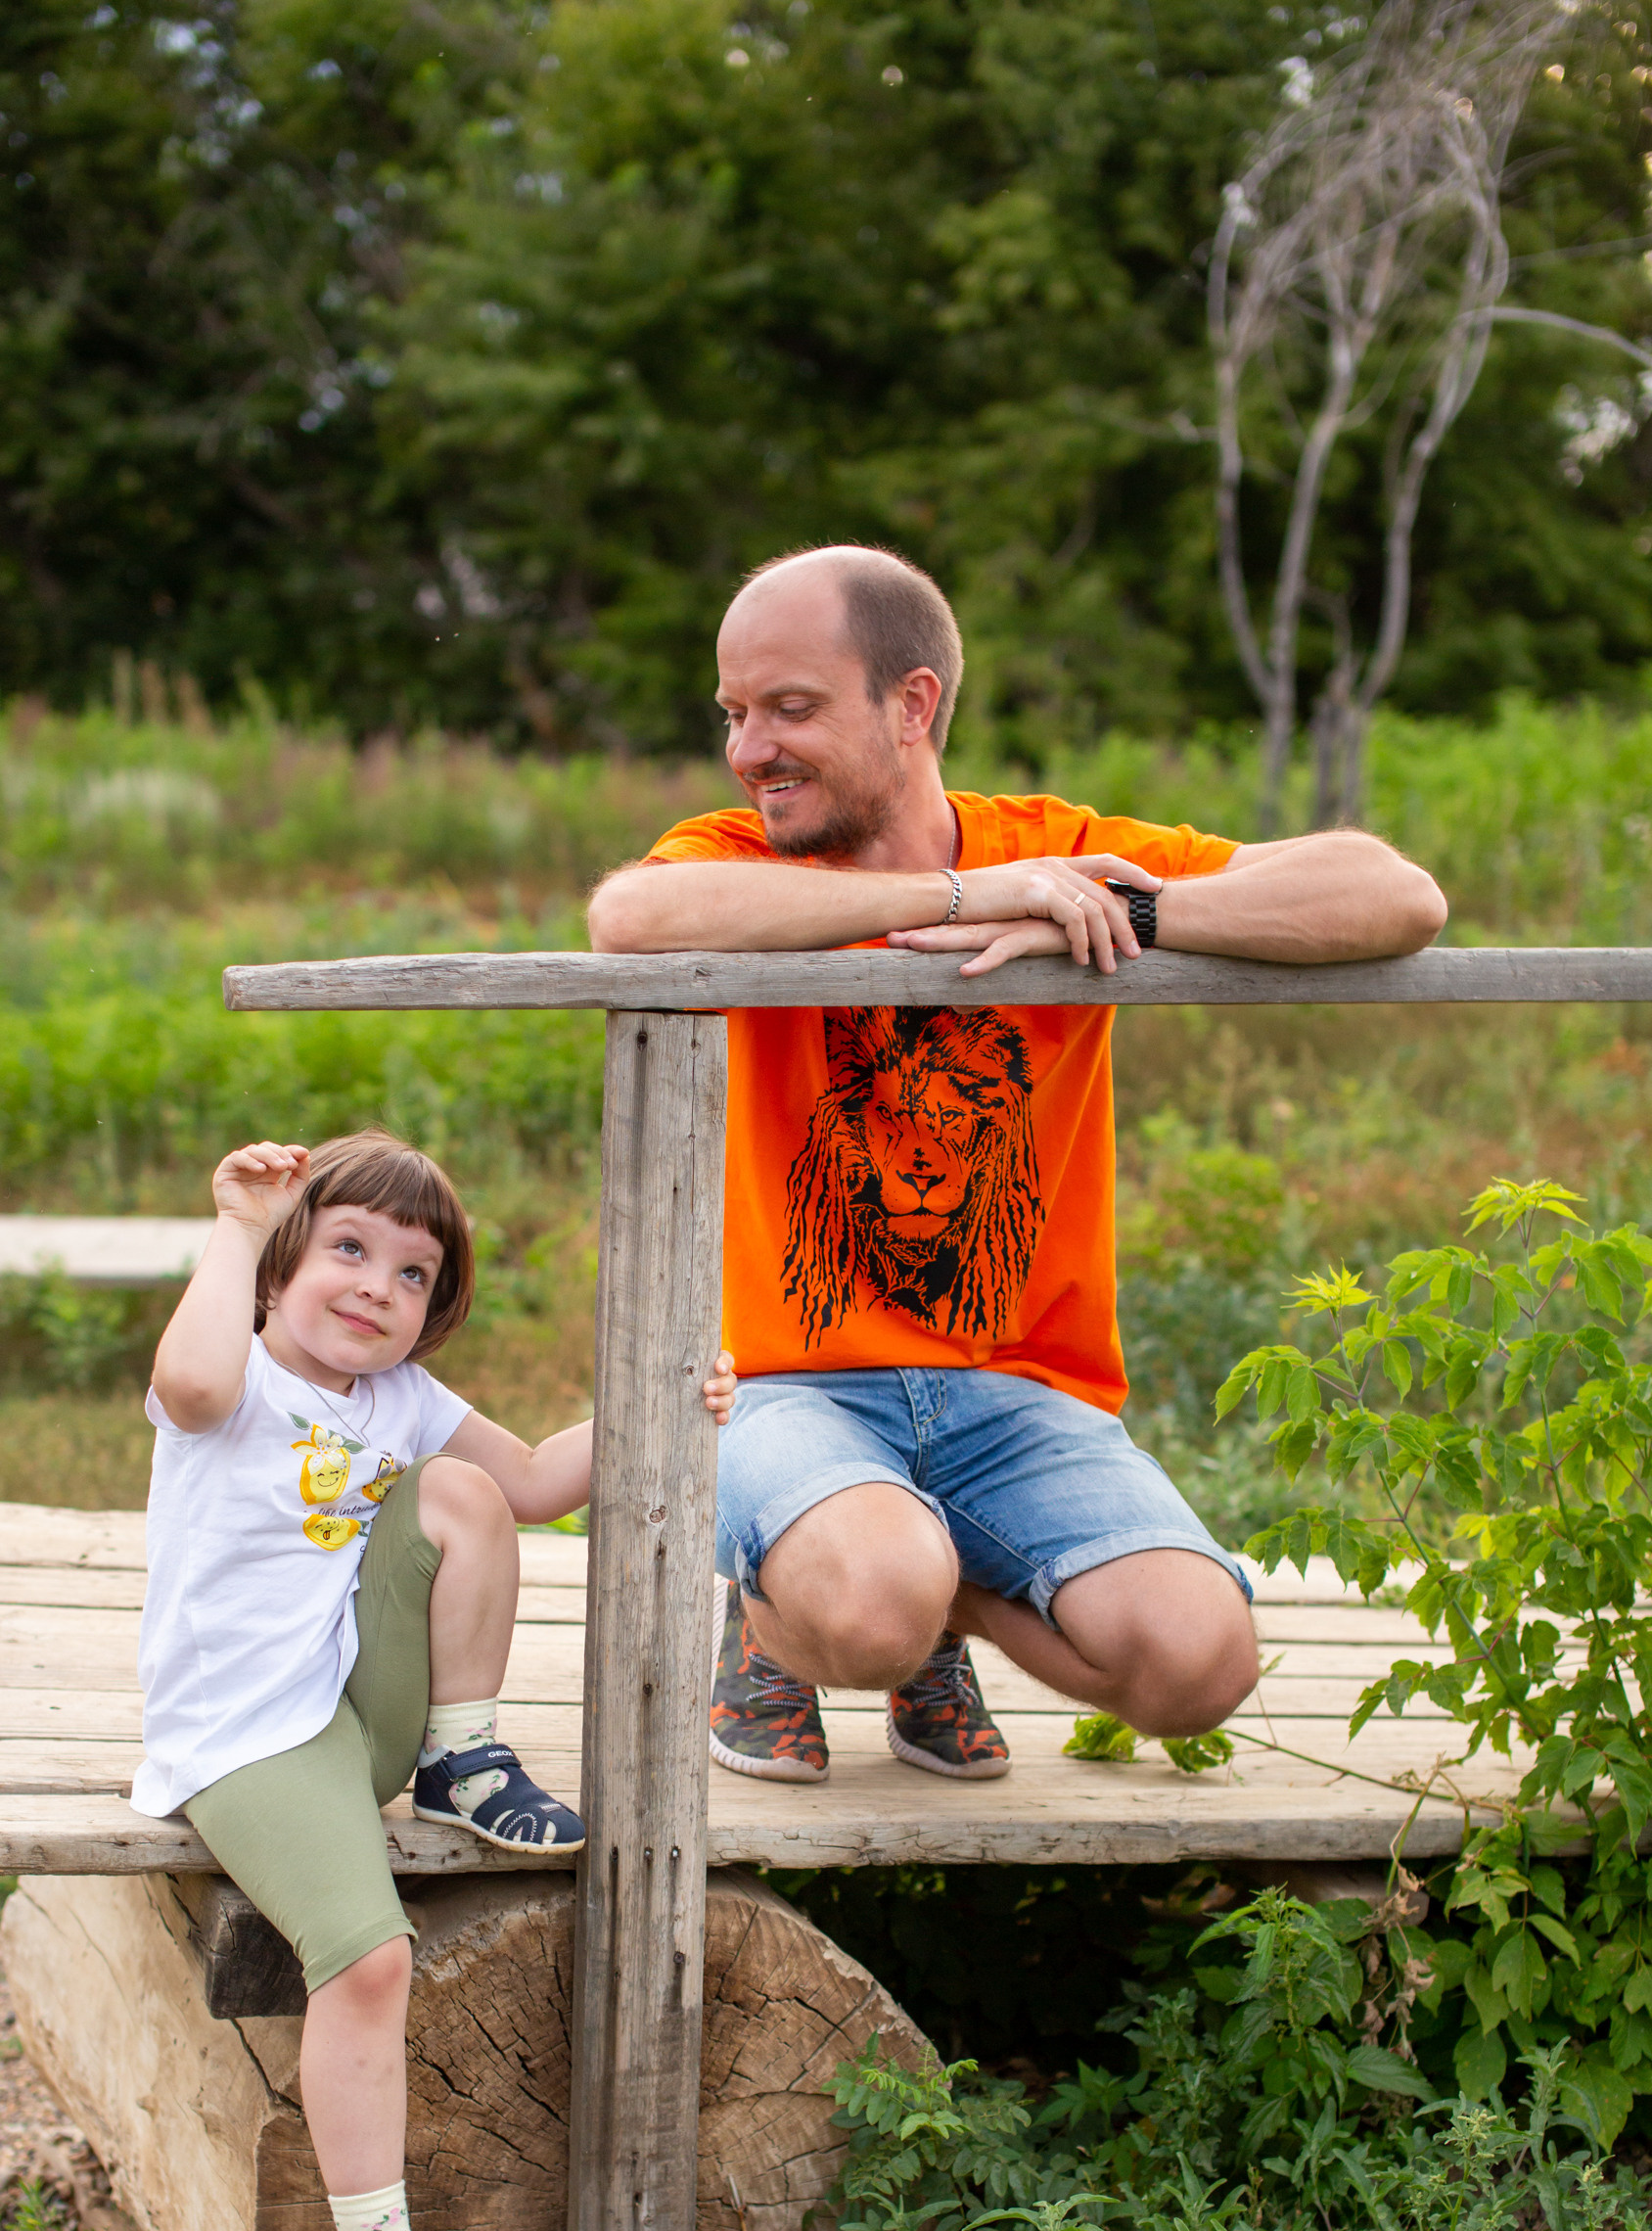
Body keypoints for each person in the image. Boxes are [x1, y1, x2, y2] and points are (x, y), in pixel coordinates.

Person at [586, 544, 1447, 1784]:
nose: (747, 751)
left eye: (788, 709)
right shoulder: (741, 853)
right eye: (732, 714)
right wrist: (958, 897)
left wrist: (1124, 910)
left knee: (1196, 1668)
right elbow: (631, 918)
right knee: (871, 1602)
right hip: (784, 1385)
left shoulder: (1059, 847)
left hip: (1017, 1391)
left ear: (912, 703)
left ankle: (944, 1606)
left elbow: (1392, 894)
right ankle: (783, 1623)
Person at [128, 1127, 734, 2231]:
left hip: (362, 1710)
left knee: (458, 1492)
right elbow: (184, 1384)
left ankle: (465, 1757)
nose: (375, 1287)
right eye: (347, 1249)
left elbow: (530, 1485)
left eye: (412, 1274)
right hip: (249, 1738)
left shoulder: (400, 1403)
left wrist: (667, 1402)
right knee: (371, 1958)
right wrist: (232, 1223)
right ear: (281, 1268)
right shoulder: (231, 1378)